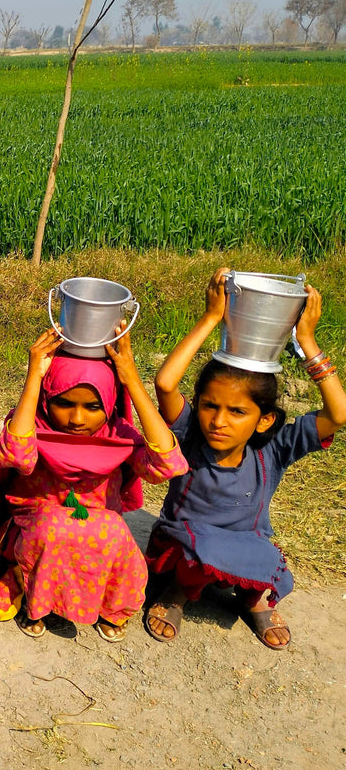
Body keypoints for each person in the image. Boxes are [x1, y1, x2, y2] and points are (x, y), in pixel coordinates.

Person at [145, 268, 346, 649]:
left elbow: (338, 414)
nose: (218, 421)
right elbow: (166, 383)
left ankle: (252, 600)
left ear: (264, 419)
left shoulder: (273, 448)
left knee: (261, 557)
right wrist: (211, 318)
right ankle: (178, 594)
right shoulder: (191, 435)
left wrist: (307, 342)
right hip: (186, 545)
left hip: (246, 542)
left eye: (237, 412)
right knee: (197, 556)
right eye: (209, 406)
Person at [0, 323, 187, 642]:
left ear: (111, 403)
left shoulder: (117, 435)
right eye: (64, 403)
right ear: (47, 398)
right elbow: (16, 455)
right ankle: (35, 601)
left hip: (97, 531)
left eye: (93, 406)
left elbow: (167, 464)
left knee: (114, 533)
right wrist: (35, 376)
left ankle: (112, 608)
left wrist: (131, 379)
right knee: (55, 529)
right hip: (35, 529)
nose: (77, 419)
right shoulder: (32, 426)